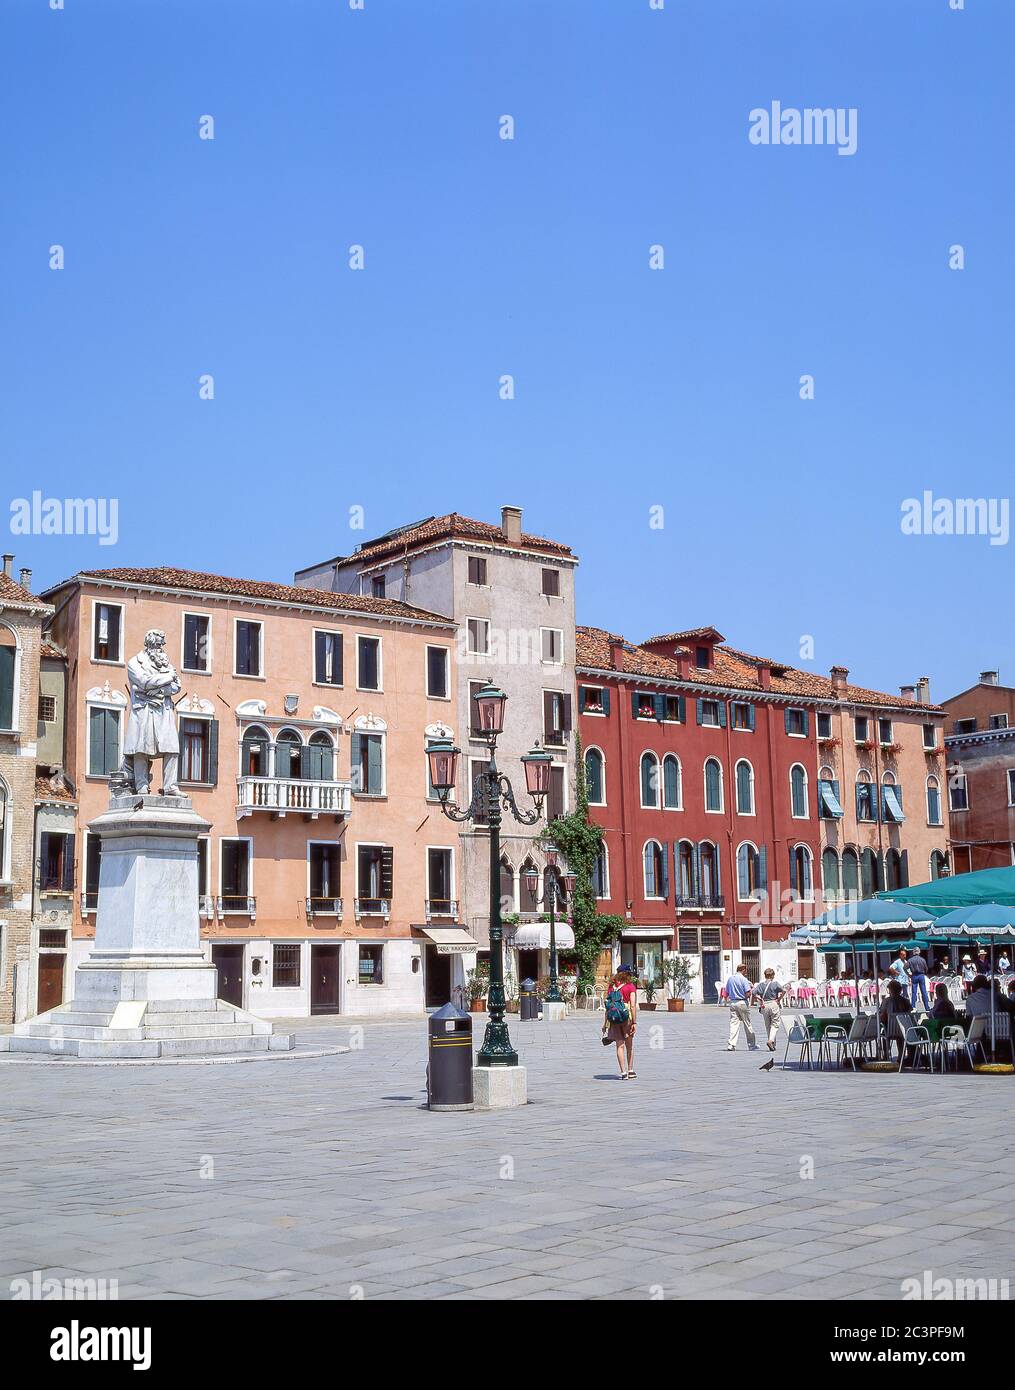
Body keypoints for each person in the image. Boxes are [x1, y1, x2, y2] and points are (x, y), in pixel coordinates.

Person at [603, 966, 638, 1079]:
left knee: (619, 1045)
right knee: (629, 1045)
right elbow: (632, 1005)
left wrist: (605, 1024)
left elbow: (608, 1006)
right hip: (626, 1017)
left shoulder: (611, 987)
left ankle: (623, 1072)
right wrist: (634, 1022)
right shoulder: (630, 986)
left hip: (614, 1019)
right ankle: (631, 1070)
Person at [724, 962, 758, 1051]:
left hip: (733, 1002)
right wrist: (751, 990)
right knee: (747, 1023)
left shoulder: (730, 979)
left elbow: (726, 993)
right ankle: (751, 1045)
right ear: (743, 970)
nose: (746, 972)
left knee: (733, 1024)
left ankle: (731, 1044)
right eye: (745, 970)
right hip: (742, 1002)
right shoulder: (744, 979)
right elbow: (747, 994)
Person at [878, 980, 914, 1058]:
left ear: (890, 990)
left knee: (883, 1033)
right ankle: (902, 1055)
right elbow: (910, 1013)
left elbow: (883, 1015)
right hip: (904, 1030)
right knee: (901, 1036)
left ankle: (886, 1054)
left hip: (890, 1031)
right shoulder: (906, 1001)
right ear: (900, 990)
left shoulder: (886, 1001)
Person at [751, 968, 785, 1051]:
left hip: (765, 1005)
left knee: (768, 1025)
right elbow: (784, 991)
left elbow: (753, 993)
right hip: (773, 1003)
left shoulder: (761, 985)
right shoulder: (775, 984)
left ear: (765, 975)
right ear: (773, 975)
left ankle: (773, 1044)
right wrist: (779, 999)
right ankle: (771, 1041)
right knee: (775, 1023)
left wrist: (760, 1000)